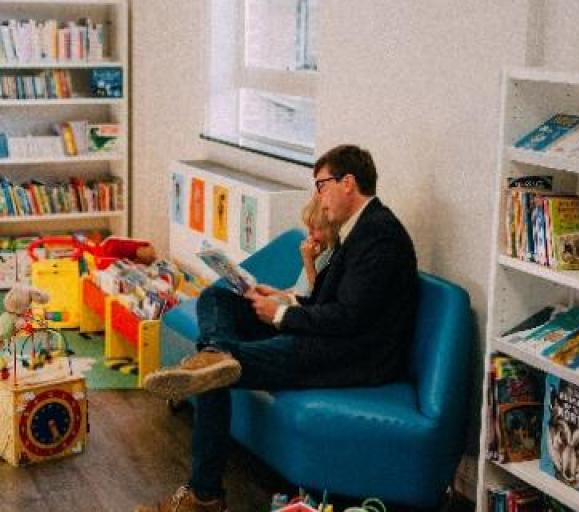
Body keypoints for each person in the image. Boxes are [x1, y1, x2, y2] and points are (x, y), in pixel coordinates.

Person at [136, 144, 419, 512]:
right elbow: (332, 306)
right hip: (327, 336)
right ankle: (214, 354)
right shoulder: (362, 230)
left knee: (214, 372)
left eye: (321, 185)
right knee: (216, 300)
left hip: (349, 356)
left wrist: (282, 316)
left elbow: (349, 319)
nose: (318, 196)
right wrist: (288, 301)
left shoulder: (380, 235)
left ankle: (203, 496)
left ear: (348, 182)